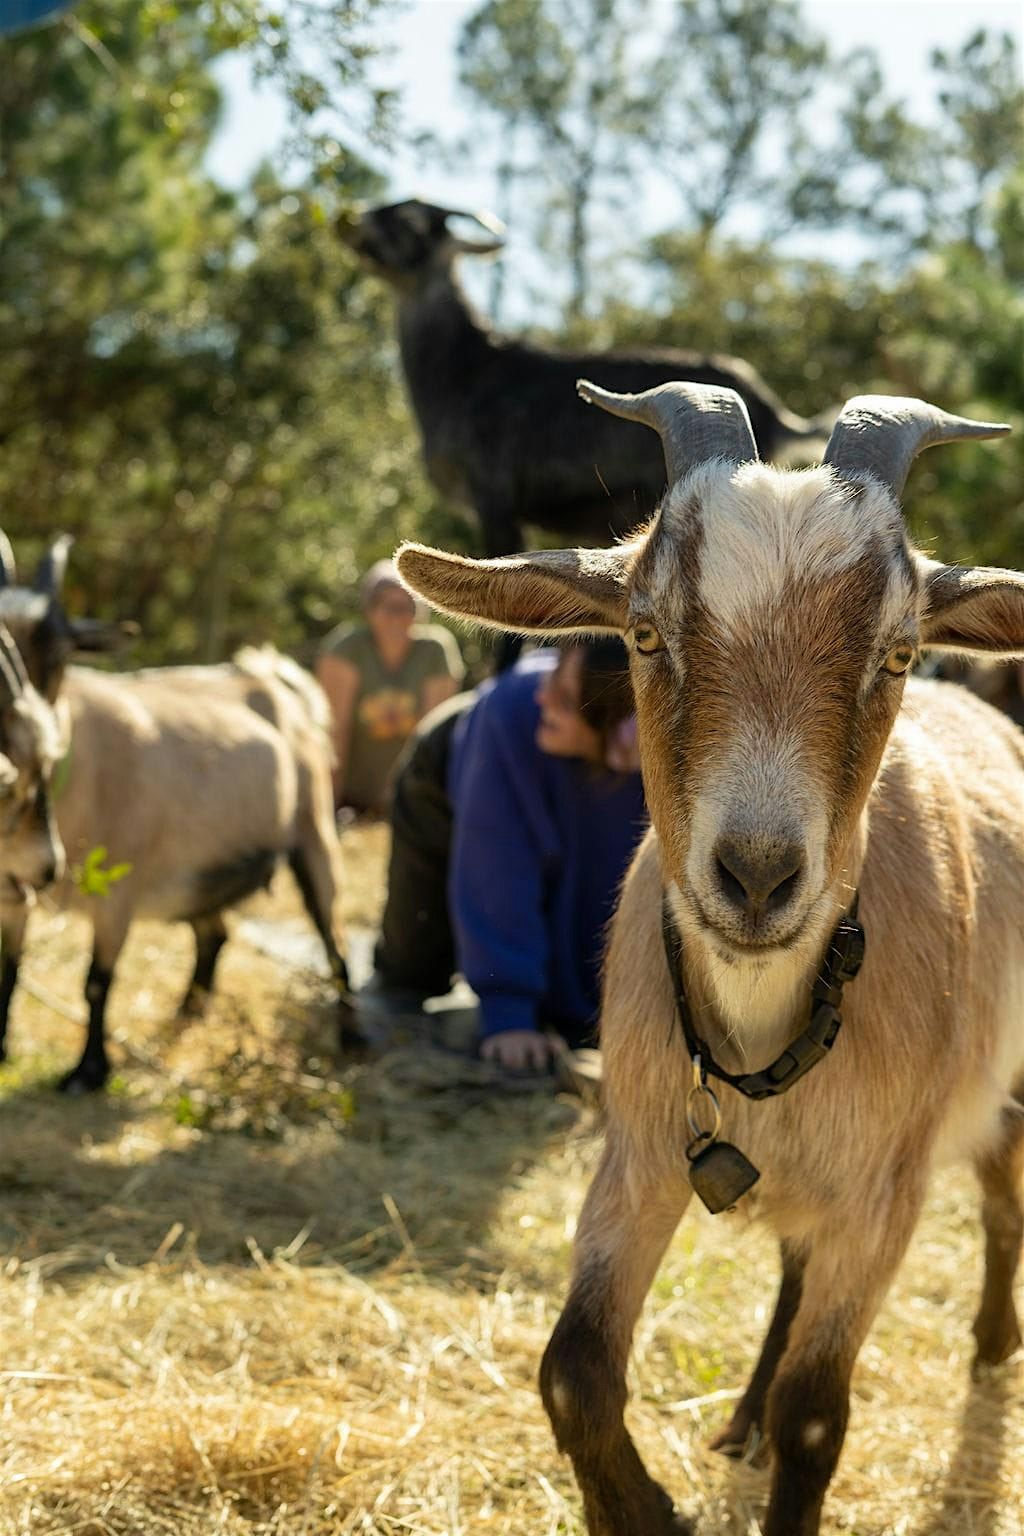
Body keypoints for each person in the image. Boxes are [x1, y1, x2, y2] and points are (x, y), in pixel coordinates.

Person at [358, 640, 647, 1078]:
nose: (544, 696)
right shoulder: (519, 708)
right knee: (413, 970)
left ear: (621, 730)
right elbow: (496, 869)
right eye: (551, 677)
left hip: (583, 763)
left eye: (565, 699)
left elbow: (613, 881)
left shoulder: (655, 747)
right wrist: (509, 1014)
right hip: (451, 769)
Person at [316, 560, 464, 814]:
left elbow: (431, 738)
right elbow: (335, 733)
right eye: (387, 606)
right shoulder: (347, 650)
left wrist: (412, 806)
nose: (397, 617)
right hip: (351, 801)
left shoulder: (435, 651)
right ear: (369, 610)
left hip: (408, 801)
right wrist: (327, 809)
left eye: (405, 606)